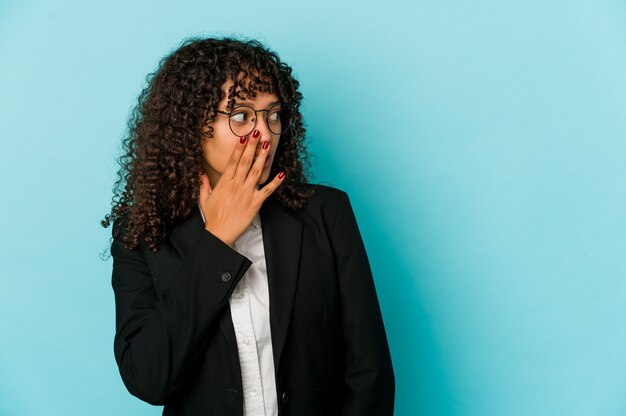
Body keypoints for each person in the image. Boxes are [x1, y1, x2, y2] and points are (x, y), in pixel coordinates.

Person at [102, 36, 394, 416]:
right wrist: (217, 241)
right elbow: (148, 379)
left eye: (273, 115)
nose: (264, 134)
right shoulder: (141, 234)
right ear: (191, 124)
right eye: (241, 115)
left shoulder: (326, 212)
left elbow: (369, 371)